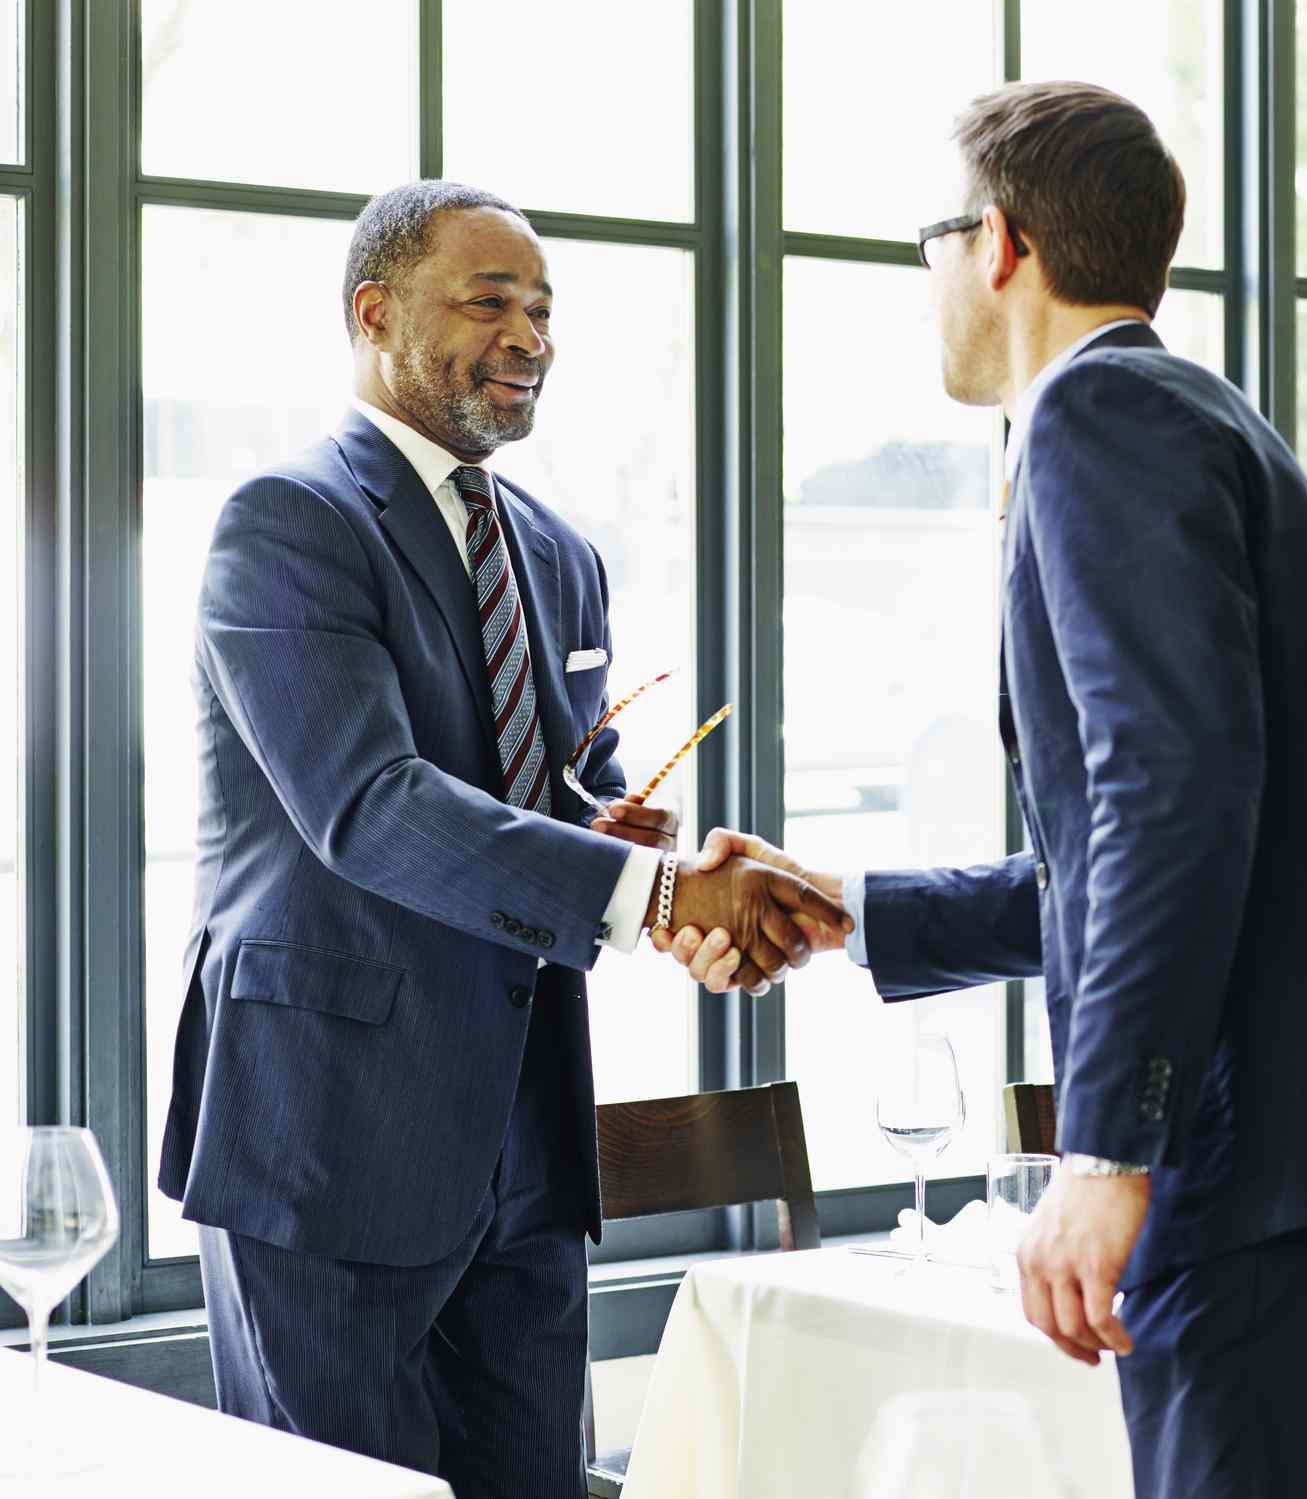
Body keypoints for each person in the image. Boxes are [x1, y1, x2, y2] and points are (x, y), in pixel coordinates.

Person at [668, 83, 1307, 1498]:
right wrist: (850, 906)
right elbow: (1173, 824)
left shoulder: (1095, 420)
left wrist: (1106, 1152)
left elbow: (1170, 801)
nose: (929, 277)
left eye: (934, 239)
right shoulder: (1188, 414)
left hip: (1274, 1147)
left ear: (999, 241)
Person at [157, 180, 845, 1499]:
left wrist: (610, 826)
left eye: (543, 308)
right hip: (325, 1143)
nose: (529, 334)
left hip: (528, 1142)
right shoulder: (287, 525)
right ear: (375, 313)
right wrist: (649, 891)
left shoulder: (561, 553)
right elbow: (369, 809)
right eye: (489, 301)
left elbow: (553, 787)